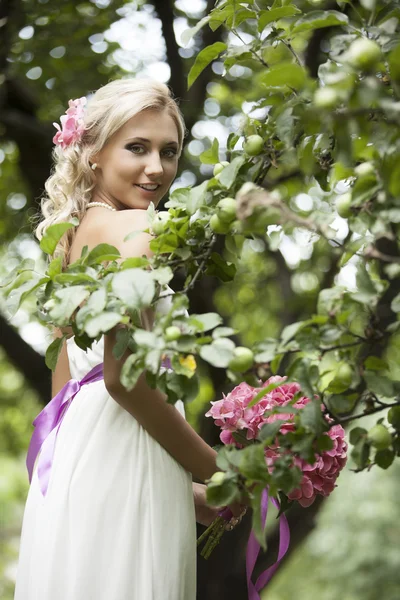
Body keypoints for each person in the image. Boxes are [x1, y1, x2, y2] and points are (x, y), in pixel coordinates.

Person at [14, 78, 246, 600]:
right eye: (136, 148)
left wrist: (183, 491)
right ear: (93, 152)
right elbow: (125, 381)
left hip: (75, 463)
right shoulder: (137, 227)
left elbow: (62, 389)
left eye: (169, 151)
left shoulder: (67, 240)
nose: (156, 168)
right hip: (121, 448)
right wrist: (221, 471)